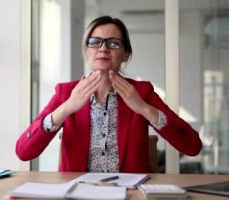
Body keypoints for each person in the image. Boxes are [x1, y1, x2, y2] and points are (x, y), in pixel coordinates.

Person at [16, 16, 202, 173]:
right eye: (95, 42)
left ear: (126, 54)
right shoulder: (65, 93)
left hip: (130, 193)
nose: (103, 48)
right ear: (86, 51)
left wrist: (143, 108)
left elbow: (192, 146)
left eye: (113, 43)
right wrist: (67, 107)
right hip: (77, 192)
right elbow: (23, 152)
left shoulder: (142, 92)